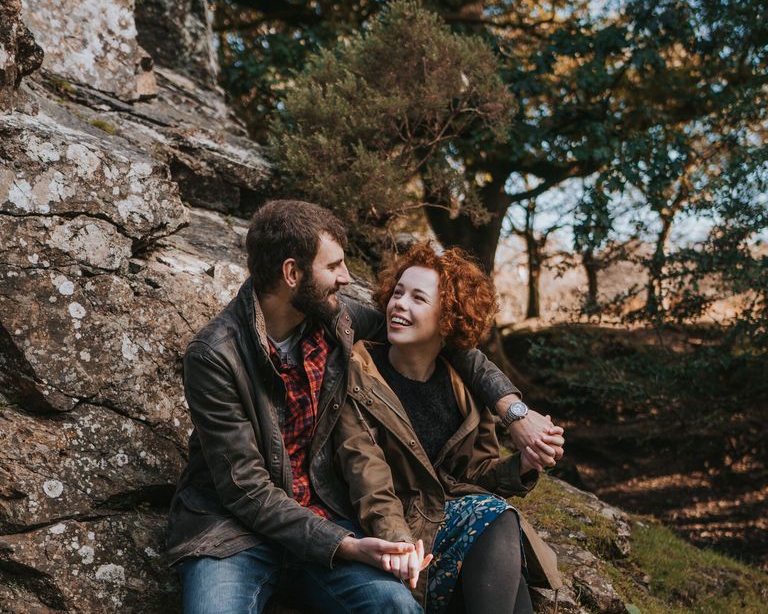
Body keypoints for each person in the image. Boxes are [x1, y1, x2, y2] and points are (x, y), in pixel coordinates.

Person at [166, 200, 563, 613]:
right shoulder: (215, 354)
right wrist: (348, 545)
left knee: (397, 607)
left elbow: (447, 338)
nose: (346, 277)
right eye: (334, 266)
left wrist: (514, 411)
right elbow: (247, 491)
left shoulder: (334, 318)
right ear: (291, 273)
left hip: (325, 514)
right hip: (234, 534)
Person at [334, 243, 564, 613]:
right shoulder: (359, 373)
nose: (399, 305)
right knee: (496, 521)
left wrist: (523, 464)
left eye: (418, 299)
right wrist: (398, 542)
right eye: (398, 293)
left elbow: (473, 474)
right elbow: (367, 476)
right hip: (396, 529)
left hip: (447, 519)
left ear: (447, 317)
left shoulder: (463, 385)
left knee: (498, 532)